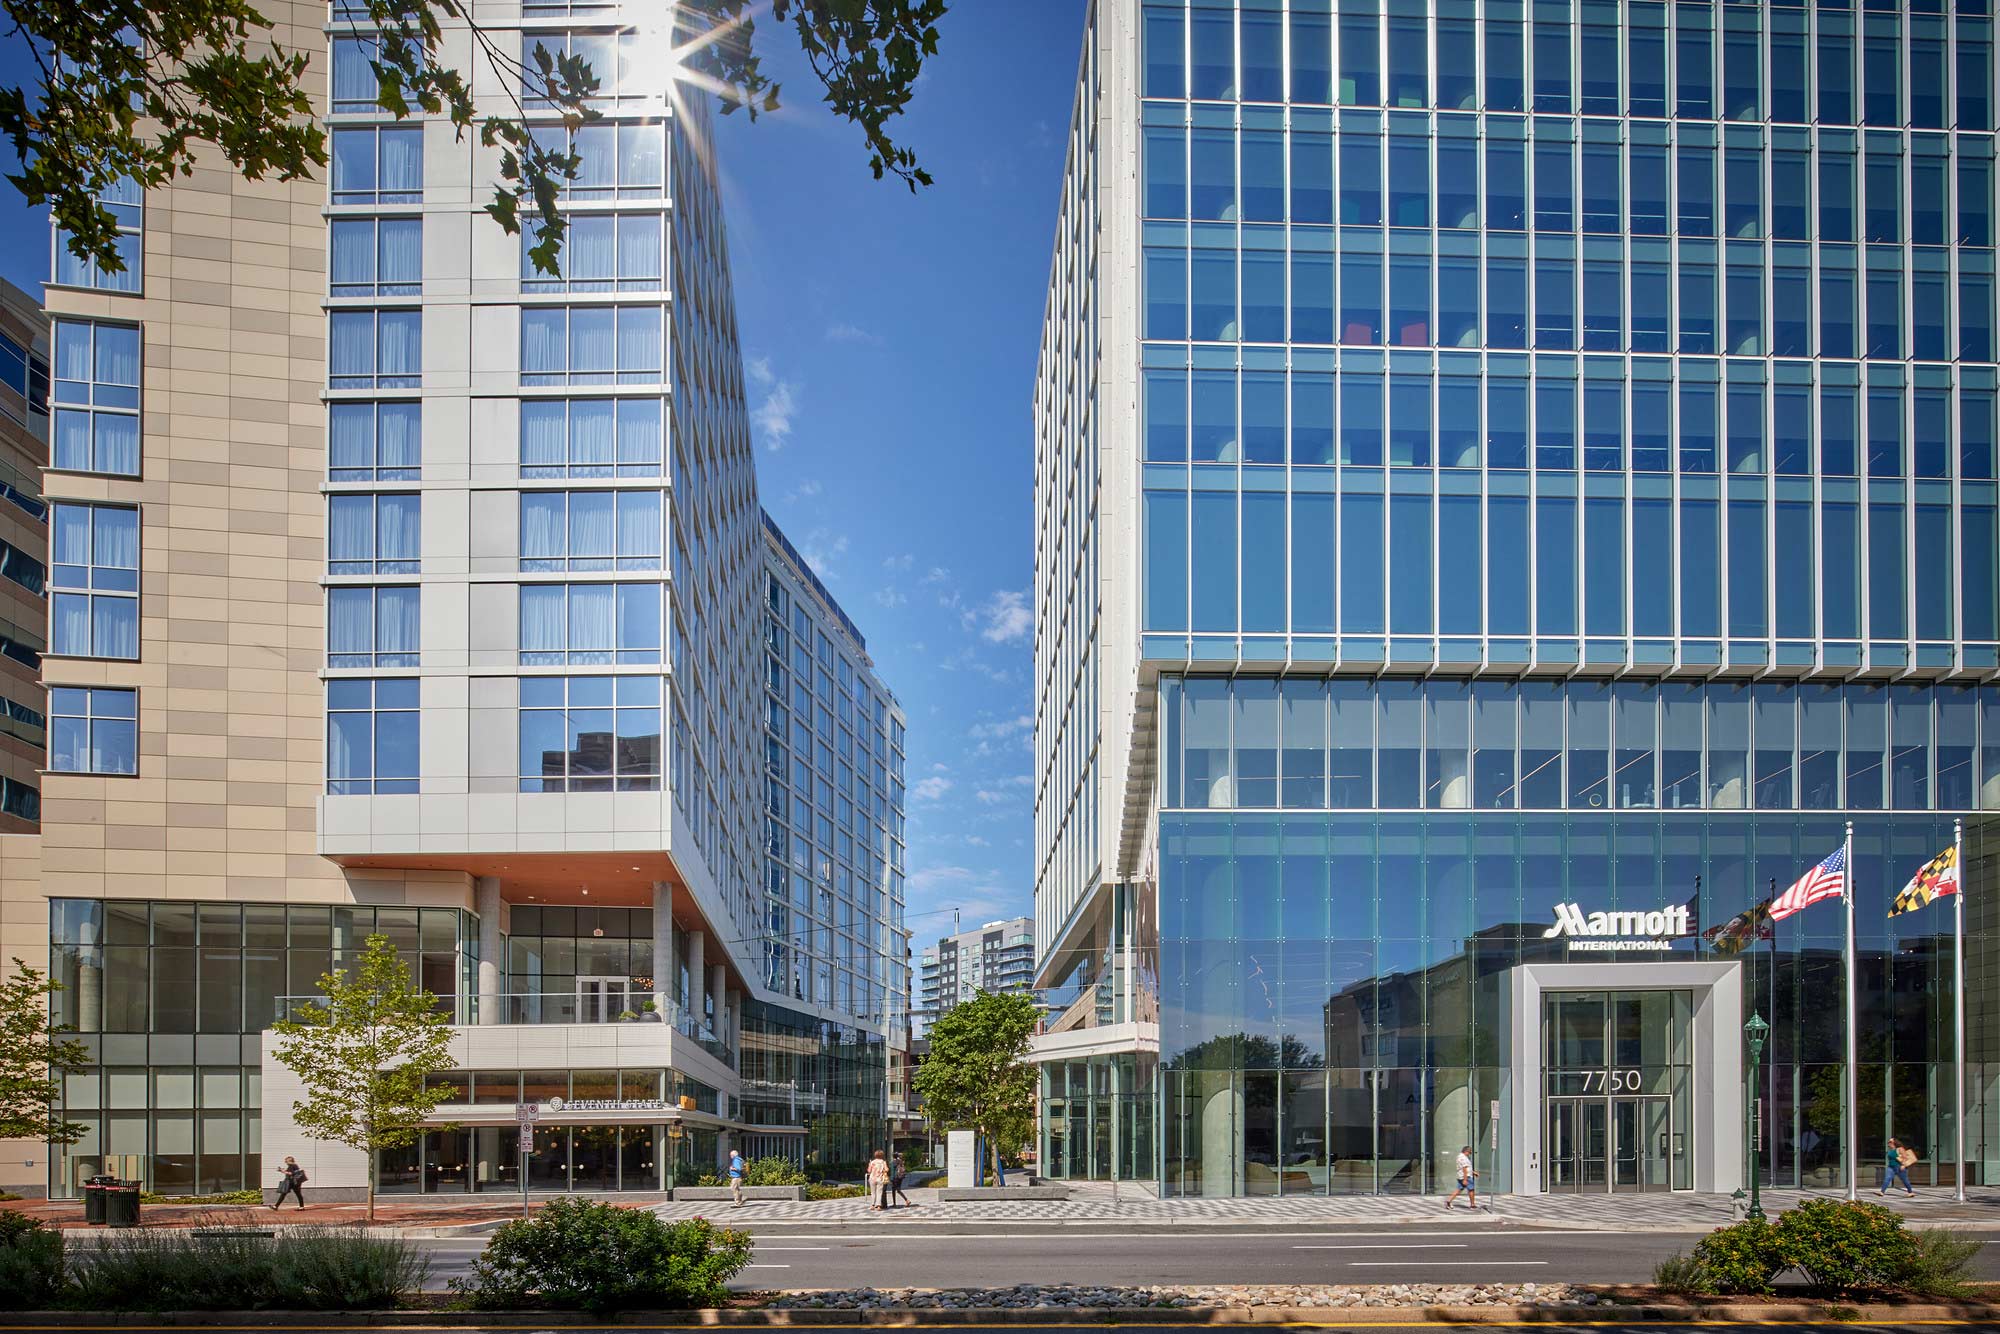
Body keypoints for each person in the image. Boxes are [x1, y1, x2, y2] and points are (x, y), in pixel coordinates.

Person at [1444, 1146, 1478, 1210]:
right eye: (1470, 1152)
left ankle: (1448, 1201)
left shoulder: (1460, 1156)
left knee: (1458, 1190)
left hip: (1462, 1176)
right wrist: (1465, 1179)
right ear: (1466, 1151)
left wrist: (1473, 1172)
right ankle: (1472, 1205)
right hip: (1466, 1177)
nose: (1470, 1153)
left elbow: (1466, 1168)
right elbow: (1464, 1169)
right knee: (1471, 1190)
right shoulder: (1463, 1158)